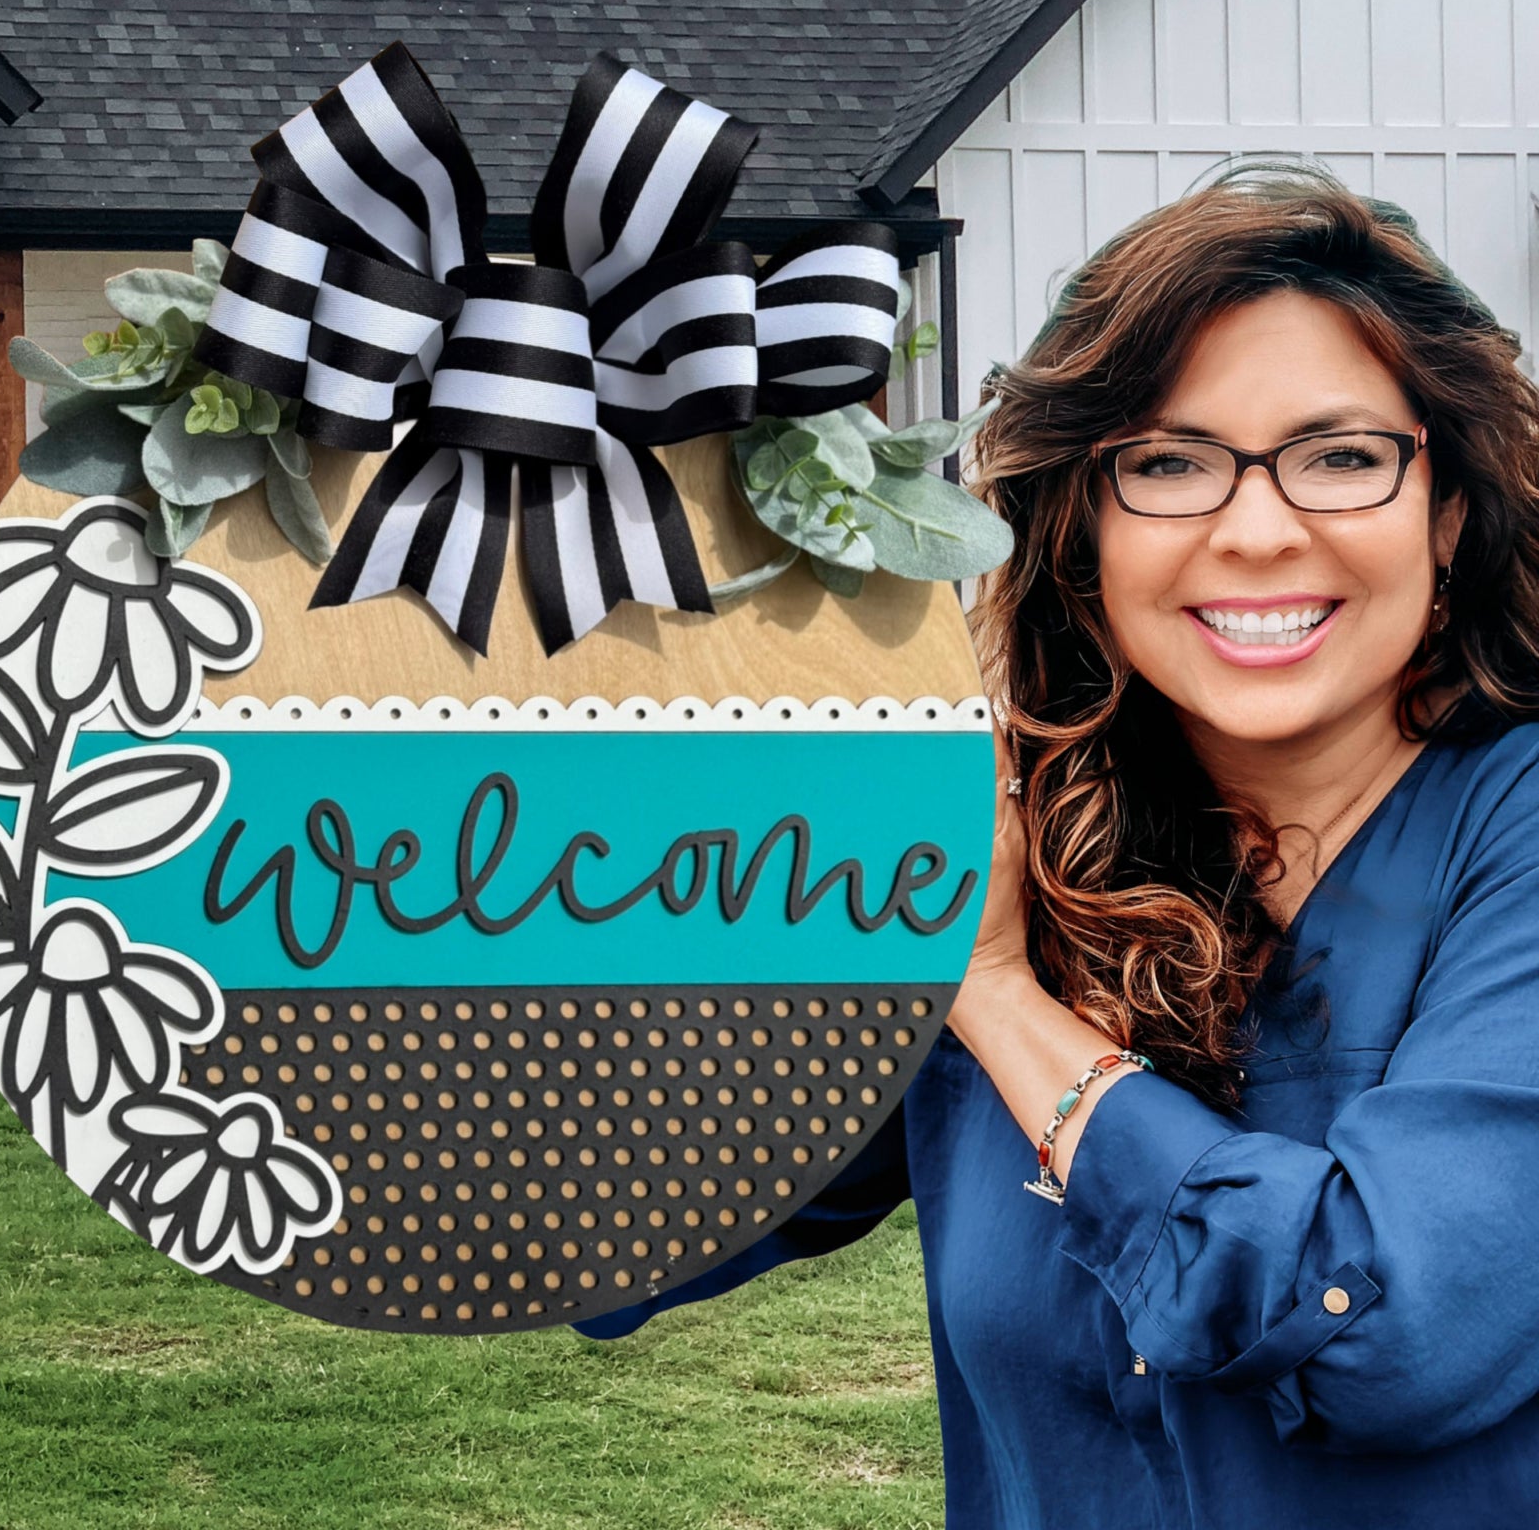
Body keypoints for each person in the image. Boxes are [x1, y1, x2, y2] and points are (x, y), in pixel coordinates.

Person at [575, 158, 1539, 1527]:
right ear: (1082, 531)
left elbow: (1384, 1331)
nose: (1258, 530)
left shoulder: (1510, 837)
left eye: (1340, 456)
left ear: (1445, 516)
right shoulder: (1021, 837)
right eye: (1167, 463)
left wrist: (996, 997)